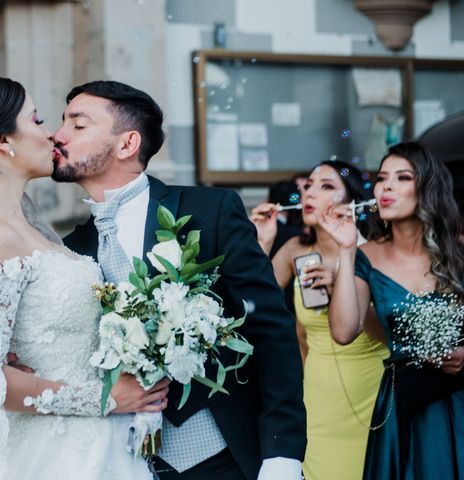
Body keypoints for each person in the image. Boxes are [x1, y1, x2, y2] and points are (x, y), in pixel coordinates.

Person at [0, 76, 167, 480]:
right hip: (57, 452)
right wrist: (103, 399)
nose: (53, 135)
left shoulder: (35, 229)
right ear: (2, 141)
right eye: (39, 120)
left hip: (97, 442)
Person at [54, 80, 306, 480]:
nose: (58, 135)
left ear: (127, 144)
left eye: (77, 125)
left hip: (223, 456)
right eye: (61, 122)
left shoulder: (210, 211)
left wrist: (283, 452)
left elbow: (271, 328)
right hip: (116, 460)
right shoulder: (68, 252)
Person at [318, 142, 464, 479]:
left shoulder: (457, 256)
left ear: (427, 188)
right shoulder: (366, 256)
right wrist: (346, 249)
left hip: (456, 401)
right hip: (403, 406)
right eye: (382, 178)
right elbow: (343, 331)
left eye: (402, 178)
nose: (386, 187)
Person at [250, 160, 388, 480]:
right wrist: (262, 242)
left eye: (327, 186)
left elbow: (394, 335)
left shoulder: (375, 254)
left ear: (353, 203)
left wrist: (344, 289)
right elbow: (252, 308)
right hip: (316, 398)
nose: (310, 192)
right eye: (309, 185)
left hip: (371, 392)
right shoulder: (296, 250)